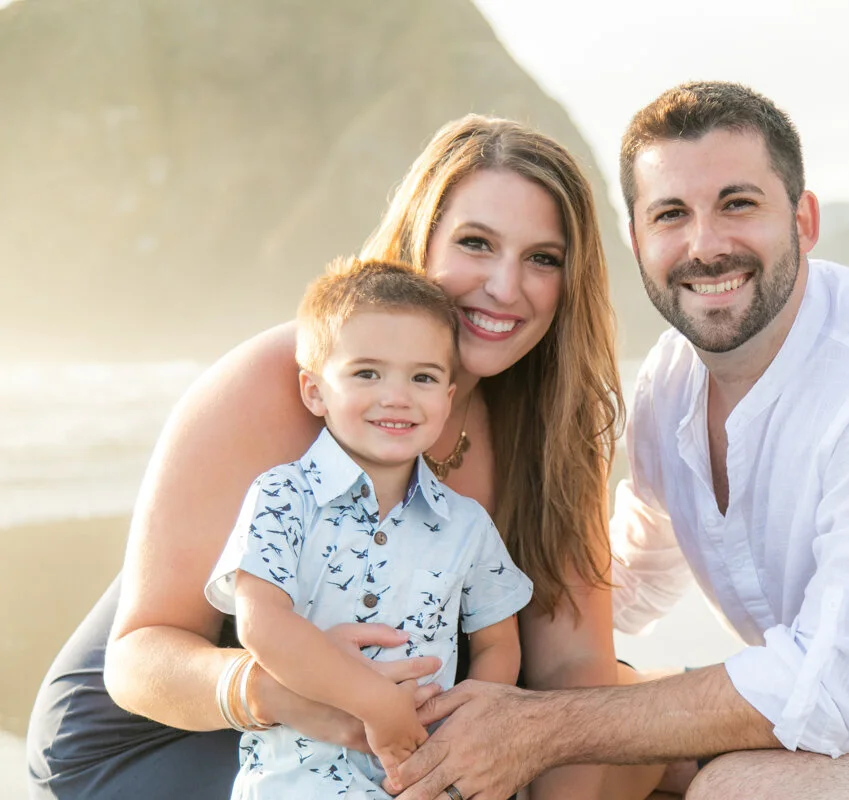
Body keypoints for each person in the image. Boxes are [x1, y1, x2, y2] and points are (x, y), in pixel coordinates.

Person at [387, 82, 849, 800]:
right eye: (671, 214)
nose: (706, 245)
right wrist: (450, 636)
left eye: (738, 204)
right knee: (605, 720)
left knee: (739, 789)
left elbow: (832, 688)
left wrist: (536, 728)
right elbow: (625, 582)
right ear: (637, 241)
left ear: (803, 221)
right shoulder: (667, 387)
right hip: (848, 738)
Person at [28, 116, 663, 800]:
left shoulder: (555, 422)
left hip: (385, 730)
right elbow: (137, 660)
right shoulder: (286, 383)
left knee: (633, 724)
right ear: (422, 239)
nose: (506, 288)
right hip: (160, 736)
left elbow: (571, 671)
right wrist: (284, 692)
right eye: (476, 243)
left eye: (543, 258)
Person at [204, 258, 532, 797]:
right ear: (315, 390)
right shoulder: (283, 496)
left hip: (418, 781)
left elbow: (498, 641)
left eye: (423, 377)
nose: (397, 396)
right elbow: (261, 624)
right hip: (293, 785)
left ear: (448, 398)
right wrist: (375, 702)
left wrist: (463, 737)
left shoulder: (467, 524)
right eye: (366, 373)